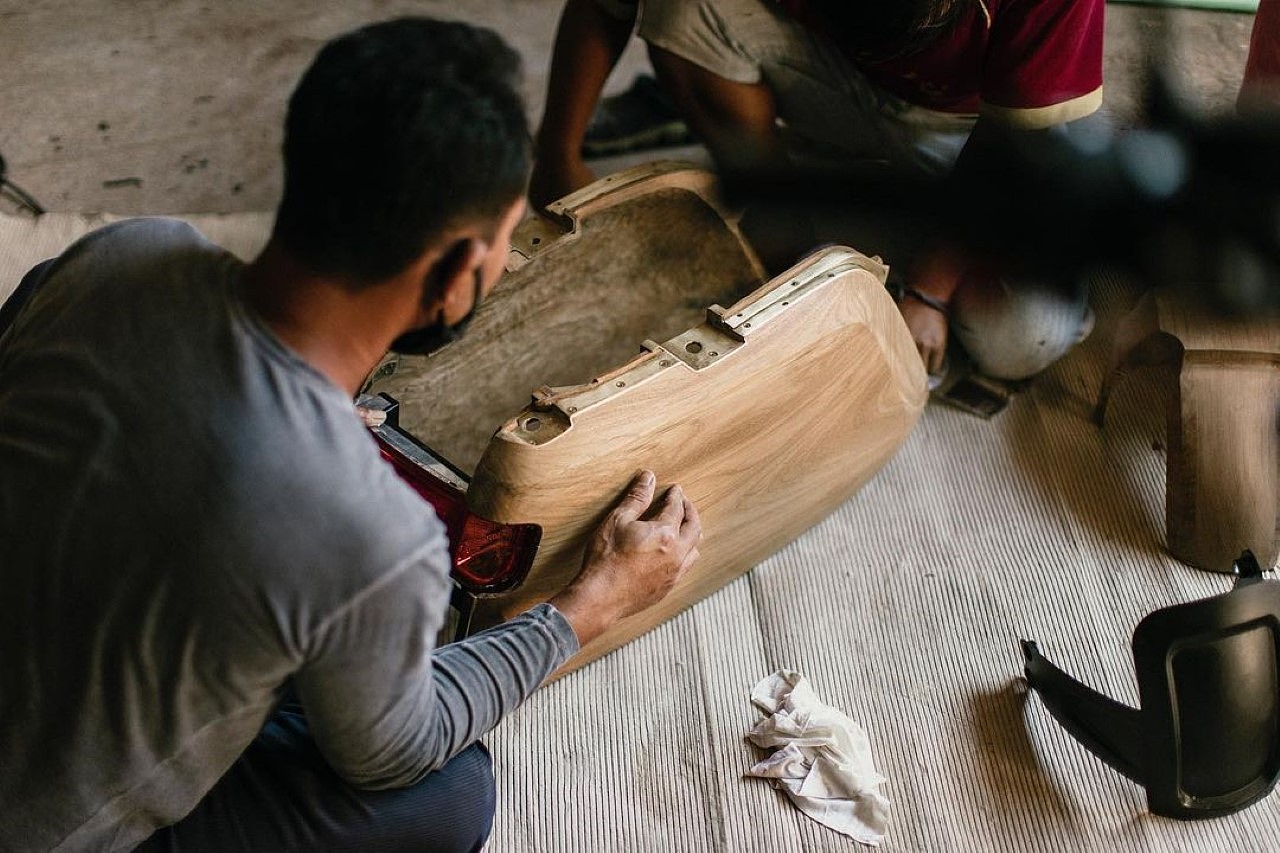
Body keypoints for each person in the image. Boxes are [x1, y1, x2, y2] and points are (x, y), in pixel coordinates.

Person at [0, 17, 701, 853]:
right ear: (452, 272)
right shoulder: (372, 534)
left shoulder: (117, 256)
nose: (510, 259)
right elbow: (389, 754)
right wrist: (588, 606)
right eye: (507, 240)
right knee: (450, 795)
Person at [530, 0, 1104, 386]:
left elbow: (1016, 152)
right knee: (685, 11)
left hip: (976, 126)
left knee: (1023, 337)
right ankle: (775, 191)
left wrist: (929, 290)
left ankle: (830, 174)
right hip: (833, 78)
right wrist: (557, 156)